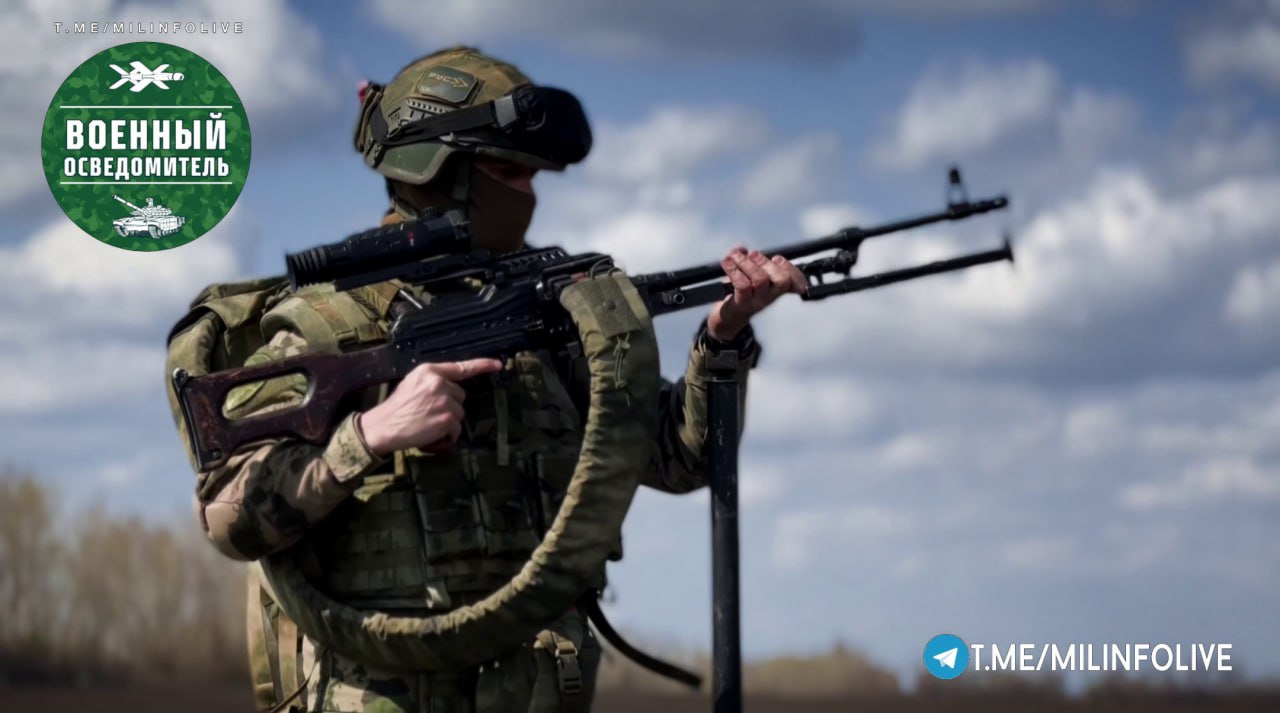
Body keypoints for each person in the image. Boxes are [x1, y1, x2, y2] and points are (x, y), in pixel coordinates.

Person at [191, 46, 806, 713]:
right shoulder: (327, 322)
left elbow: (680, 457)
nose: (529, 195)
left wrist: (722, 339)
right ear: (440, 170)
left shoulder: (546, 309)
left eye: (533, 176)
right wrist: (369, 435)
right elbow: (228, 516)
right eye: (510, 171)